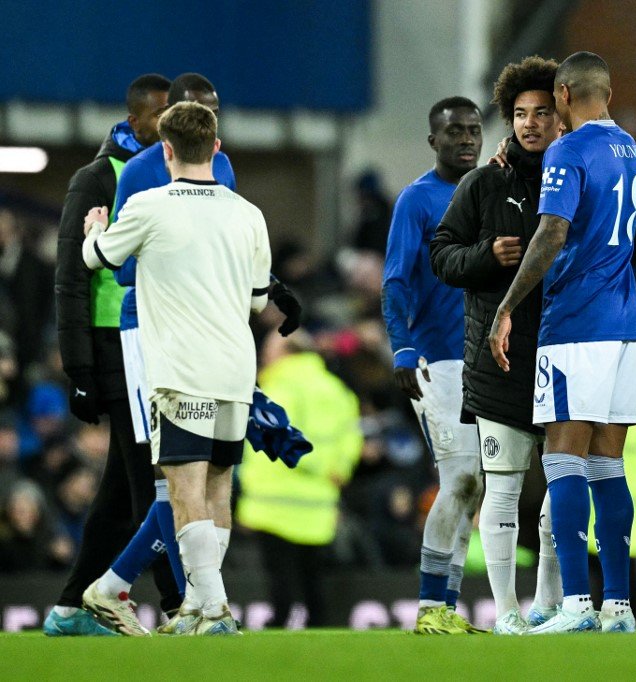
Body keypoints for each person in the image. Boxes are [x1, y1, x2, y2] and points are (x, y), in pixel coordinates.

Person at [78, 73, 301, 637]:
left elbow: (99, 259)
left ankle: (214, 609)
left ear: (166, 150)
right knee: (219, 488)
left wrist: (92, 231)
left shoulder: (150, 204)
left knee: (182, 492)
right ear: (218, 148)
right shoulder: (249, 214)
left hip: (179, 370)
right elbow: (257, 301)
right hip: (235, 371)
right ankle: (200, 611)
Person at [489, 51, 636, 634]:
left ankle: (577, 603)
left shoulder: (568, 149)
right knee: (608, 462)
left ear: (562, 94)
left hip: (578, 322)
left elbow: (553, 230)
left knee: (562, 455)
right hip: (627, 323)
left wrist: (507, 305)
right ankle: (619, 607)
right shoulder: (627, 148)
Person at [430, 56, 563, 635]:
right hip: (499, 359)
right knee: (504, 488)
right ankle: (507, 610)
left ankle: (554, 604)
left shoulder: (579, 173)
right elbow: (441, 254)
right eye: (519, 114)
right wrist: (488, 255)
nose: (530, 123)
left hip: (564, 353)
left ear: (563, 115)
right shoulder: (483, 183)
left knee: (563, 491)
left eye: (542, 112)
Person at [47, 73, 174, 637]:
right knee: (151, 482)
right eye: (161, 116)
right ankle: (180, 607)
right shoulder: (97, 178)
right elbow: (71, 280)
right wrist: (78, 369)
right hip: (112, 346)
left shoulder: (170, 172)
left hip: (154, 341)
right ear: (137, 117)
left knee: (122, 488)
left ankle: (71, 607)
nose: (167, 125)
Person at [381, 96, 486, 634]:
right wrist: (400, 344)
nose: (466, 139)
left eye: (473, 130)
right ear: (433, 141)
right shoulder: (417, 200)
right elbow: (395, 279)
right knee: (461, 476)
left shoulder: (489, 190)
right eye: (454, 132)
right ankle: (428, 606)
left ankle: (446, 605)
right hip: (434, 359)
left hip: (485, 359)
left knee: (475, 485)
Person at [236, 331, 362, 628]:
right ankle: (319, 637)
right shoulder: (337, 390)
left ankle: (279, 626)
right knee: (313, 580)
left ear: (285, 352)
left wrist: (314, 465)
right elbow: (351, 438)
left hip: (274, 502)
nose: (264, 356)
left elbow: (279, 438)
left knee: (281, 580)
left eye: (269, 349)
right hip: (318, 503)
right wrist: (336, 470)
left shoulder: (280, 388)